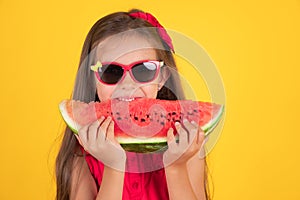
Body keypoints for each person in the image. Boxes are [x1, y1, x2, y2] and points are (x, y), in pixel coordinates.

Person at [56, 9, 210, 200]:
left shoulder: (187, 142)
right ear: (92, 81)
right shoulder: (82, 151)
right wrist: (114, 166)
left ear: (162, 78)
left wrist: (175, 167)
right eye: (110, 71)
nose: (127, 85)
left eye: (144, 70)